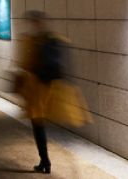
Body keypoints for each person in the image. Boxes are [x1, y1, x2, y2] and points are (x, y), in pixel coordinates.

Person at [15, 10, 90, 174]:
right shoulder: (53, 39)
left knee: (38, 126)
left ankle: (45, 161)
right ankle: (44, 161)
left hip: (37, 89)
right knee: (39, 125)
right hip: (50, 87)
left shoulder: (33, 41)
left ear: (34, 23)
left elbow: (26, 64)